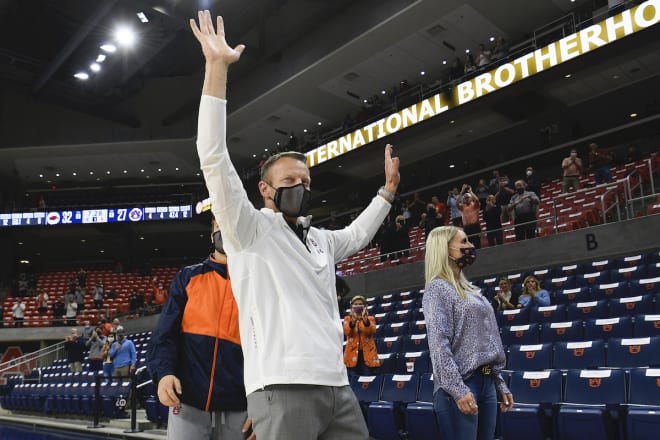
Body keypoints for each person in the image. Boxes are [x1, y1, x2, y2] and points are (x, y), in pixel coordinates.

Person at [190, 10, 400, 439]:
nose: (300, 187)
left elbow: (358, 235)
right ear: (266, 190)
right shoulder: (248, 229)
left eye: (305, 182)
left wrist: (387, 194)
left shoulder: (320, 239)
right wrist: (216, 69)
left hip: (336, 383)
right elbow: (212, 154)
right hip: (282, 383)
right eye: (289, 181)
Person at [147, 215, 250, 440]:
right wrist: (164, 374)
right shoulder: (188, 277)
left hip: (240, 405)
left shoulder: (256, 281)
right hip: (188, 401)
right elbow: (164, 335)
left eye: (231, 222)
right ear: (211, 232)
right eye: (219, 224)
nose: (225, 229)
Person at [422, 226, 513, 440]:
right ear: (444, 249)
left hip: (487, 380)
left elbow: (488, 340)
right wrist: (457, 389)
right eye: (463, 242)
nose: (470, 246)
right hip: (461, 383)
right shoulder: (437, 288)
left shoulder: (472, 290)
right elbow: (438, 344)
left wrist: (498, 382)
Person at [343, 296, 379, 376]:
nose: (358, 306)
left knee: (367, 380)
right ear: (352, 307)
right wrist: (353, 321)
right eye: (355, 304)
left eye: (360, 304)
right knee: (353, 382)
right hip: (351, 355)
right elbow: (347, 332)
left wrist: (365, 321)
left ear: (365, 307)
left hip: (368, 355)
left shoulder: (370, 319)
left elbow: (372, 332)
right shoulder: (347, 319)